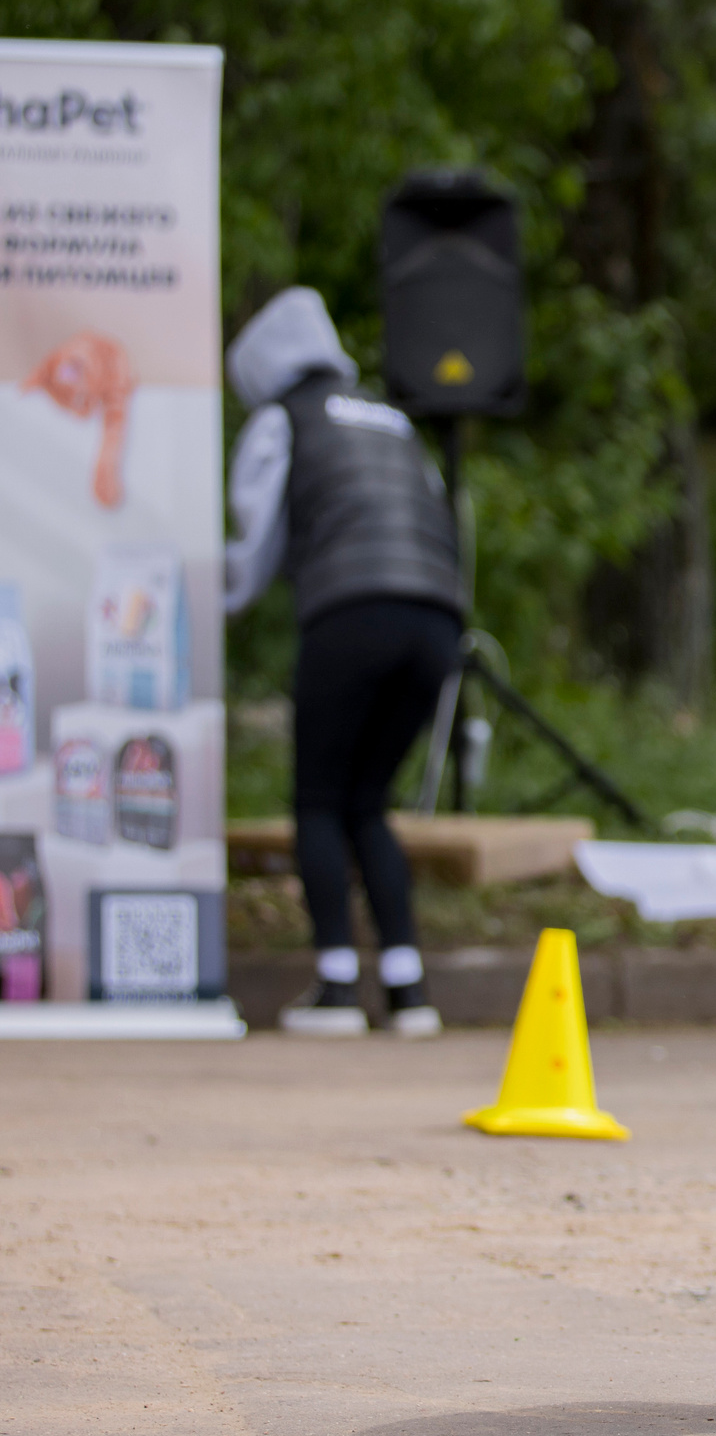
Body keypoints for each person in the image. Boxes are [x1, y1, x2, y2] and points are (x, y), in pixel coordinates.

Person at [222, 288, 465, 1038]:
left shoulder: (282, 420)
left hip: (348, 613)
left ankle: (334, 985)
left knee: (320, 798)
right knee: (368, 802)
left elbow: (253, 540)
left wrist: (215, 606)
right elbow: (434, 515)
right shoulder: (390, 418)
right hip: (436, 619)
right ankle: (407, 988)